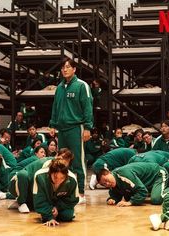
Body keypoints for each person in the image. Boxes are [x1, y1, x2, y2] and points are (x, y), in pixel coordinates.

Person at [49, 57, 93, 204]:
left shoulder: (82, 86)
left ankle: (80, 192)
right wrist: (53, 125)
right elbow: (55, 107)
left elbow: (88, 108)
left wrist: (87, 128)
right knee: (62, 161)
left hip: (76, 127)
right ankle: (65, 190)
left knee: (78, 161)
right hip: (62, 129)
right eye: (63, 68)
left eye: (68, 67)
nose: (65, 69)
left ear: (74, 69)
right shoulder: (59, 88)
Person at [7, 148, 73, 213]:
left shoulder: (65, 170)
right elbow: (37, 181)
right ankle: (21, 202)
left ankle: (24, 201)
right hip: (19, 182)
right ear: (56, 156)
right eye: (62, 158)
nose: (63, 161)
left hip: (32, 189)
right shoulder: (47, 164)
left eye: (67, 160)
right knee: (22, 175)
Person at [97, 162, 169, 206]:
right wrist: (113, 199)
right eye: (104, 184)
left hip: (158, 174)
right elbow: (115, 194)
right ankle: (156, 190)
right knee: (128, 196)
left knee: (156, 200)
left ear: (109, 172)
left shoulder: (123, 174)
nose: (107, 184)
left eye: (106, 180)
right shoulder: (113, 182)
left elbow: (142, 191)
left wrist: (131, 202)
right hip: (146, 181)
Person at [33, 158, 79, 226]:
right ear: (50, 173)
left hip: (61, 205)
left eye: (62, 178)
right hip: (46, 202)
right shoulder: (40, 176)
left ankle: (52, 213)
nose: (58, 181)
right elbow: (39, 200)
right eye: (55, 177)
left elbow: (73, 200)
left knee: (68, 215)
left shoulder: (72, 179)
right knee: (45, 216)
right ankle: (47, 214)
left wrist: (57, 207)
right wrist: (49, 217)